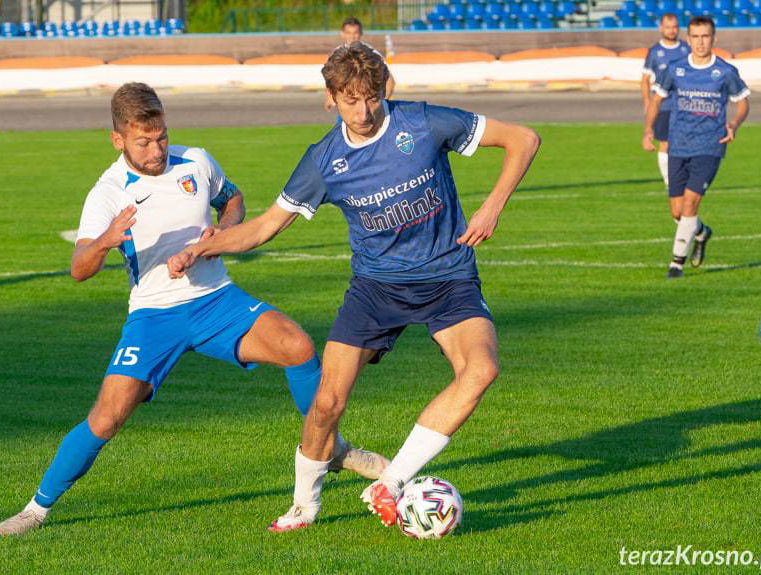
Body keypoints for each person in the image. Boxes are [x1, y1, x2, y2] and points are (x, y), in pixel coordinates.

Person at [167, 42, 540, 531]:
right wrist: (200, 249)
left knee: (481, 369)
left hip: (448, 277)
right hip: (376, 289)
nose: (363, 112)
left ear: (384, 89)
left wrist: (492, 206)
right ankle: (304, 507)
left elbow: (524, 139)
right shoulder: (323, 161)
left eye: (371, 97)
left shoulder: (423, 123)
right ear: (330, 99)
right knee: (325, 405)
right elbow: (264, 227)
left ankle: (391, 482)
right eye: (350, 100)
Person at [0, 82, 387, 536]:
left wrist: (220, 234)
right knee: (107, 416)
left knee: (296, 346)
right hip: (154, 316)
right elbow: (79, 268)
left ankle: (329, 448)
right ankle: (36, 509)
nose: (156, 149)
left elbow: (233, 199)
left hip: (217, 300)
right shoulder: (107, 193)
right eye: (143, 141)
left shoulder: (195, 160)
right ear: (118, 138)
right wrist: (104, 241)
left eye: (161, 136)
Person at [642, 16, 750, 279]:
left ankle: (676, 264)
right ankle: (701, 233)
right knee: (678, 213)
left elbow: (743, 102)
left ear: (714, 38)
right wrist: (648, 129)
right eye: (696, 37)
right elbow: (657, 100)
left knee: (691, 204)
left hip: (710, 146)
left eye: (705, 36)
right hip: (678, 145)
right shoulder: (676, 69)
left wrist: (734, 123)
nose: (701, 42)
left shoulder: (725, 71)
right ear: (688, 39)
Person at [641, 13, 690, 191]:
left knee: (685, 143)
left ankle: (682, 176)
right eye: (668, 27)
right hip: (663, 105)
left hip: (684, 105)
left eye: (675, 27)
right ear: (661, 28)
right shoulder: (654, 52)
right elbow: (645, 79)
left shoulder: (686, 49)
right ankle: (669, 181)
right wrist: (647, 101)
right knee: (665, 143)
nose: (672, 30)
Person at [324, 17, 395, 112]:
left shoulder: (371, 54)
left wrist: (381, 103)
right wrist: (329, 98)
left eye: (355, 33)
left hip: (364, 109)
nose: (352, 36)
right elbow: (331, 79)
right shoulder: (336, 53)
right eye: (348, 33)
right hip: (345, 107)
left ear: (361, 33)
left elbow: (390, 81)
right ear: (342, 34)